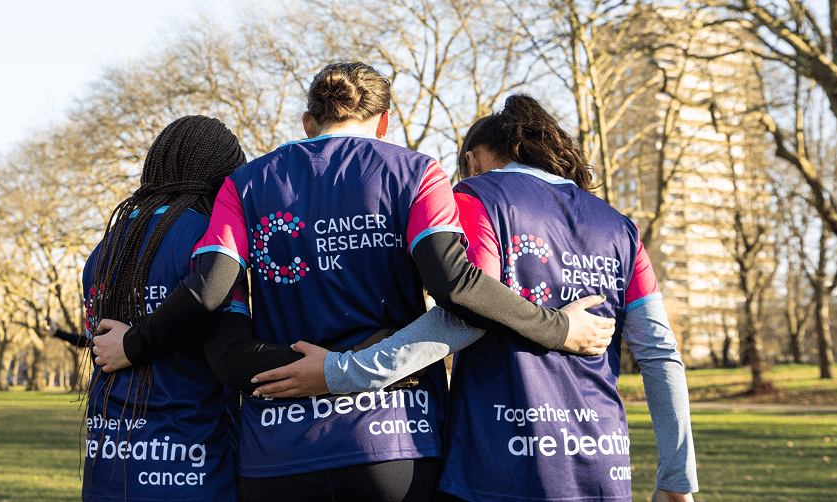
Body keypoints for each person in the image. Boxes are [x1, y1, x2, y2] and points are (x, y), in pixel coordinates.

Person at [92, 63, 616, 502]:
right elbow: (458, 288)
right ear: (385, 121)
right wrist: (555, 328)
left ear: (306, 120)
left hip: (277, 456)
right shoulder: (417, 172)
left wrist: (137, 343)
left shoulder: (245, 183)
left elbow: (209, 292)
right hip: (393, 447)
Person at [252, 95, 699, 502]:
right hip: (603, 465)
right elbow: (659, 352)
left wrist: (341, 372)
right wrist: (677, 480)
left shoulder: (476, 196)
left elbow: (461, 315)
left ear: (472, 159)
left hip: (498, 466)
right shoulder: (620, 228)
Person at [74, 115, 257, 502]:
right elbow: (230, 355)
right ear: (224, 179)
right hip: (192, 467)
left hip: (109, 464)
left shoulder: (104, 250)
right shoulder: (211, 244)